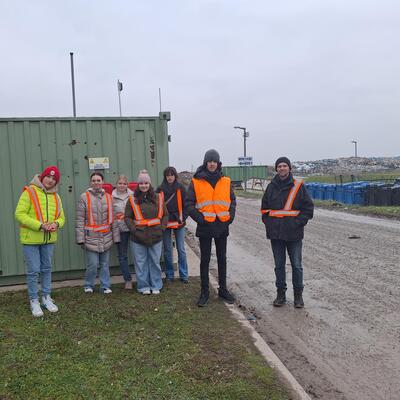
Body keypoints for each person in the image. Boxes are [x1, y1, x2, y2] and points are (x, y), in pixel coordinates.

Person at [261, 157, 314, 308]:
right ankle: (281, 294)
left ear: (289, 168)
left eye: (285, 166)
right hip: (276, 235)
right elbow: (264, 209)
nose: (282, 168)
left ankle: (298, 296)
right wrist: (270, 225)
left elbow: (308, 209)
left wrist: (296, 223)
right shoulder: (271, 187)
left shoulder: (298, 186)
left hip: (294, 234)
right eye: (279, 166)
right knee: (279, 265)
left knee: (296, 265)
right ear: (276, 169)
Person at [186, 149, 236, 307]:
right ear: (205, 163)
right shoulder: (196, 181)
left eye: (215, 161)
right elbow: (188, 204)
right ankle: (204, 292)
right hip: (205, 226)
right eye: (210, 161)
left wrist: (230, 218)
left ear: (218, 163)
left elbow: (232, 201)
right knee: (205, 261)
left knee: (222, 259)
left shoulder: (226, 181)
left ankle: (223, 290)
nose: (212, 164)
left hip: (221, 225)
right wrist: (200, 219)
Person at [15, 166, 65, 317]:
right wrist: (40, 226)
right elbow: (19, 214)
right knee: (33, 271)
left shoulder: (56, 196)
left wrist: (56, 224)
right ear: (42, 177)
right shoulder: (29, 191)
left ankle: (46, 297)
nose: (50, 180)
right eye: (48, 177)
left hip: (49, 240)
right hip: (31, 239)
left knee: (47, 269)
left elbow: (61, 218)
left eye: (54, 179)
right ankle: (34, 300)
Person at [125, 170, 168, 295]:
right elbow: (127, 217)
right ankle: (143, 286)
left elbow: (165, 215)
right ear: (138, 185)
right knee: (140, 262)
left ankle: (156, 285)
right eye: (141, 183)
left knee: (155, 262)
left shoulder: (158, 198)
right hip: (137, 237)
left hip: (156, 236)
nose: (144, 185)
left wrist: (162, 228)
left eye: (146, 183)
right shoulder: (132, 199)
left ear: (150, 184)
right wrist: (133, 230)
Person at [76, 172, 120, 294]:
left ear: (102, 182)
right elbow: (80, 219)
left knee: (105, 264)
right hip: (91, 238)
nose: (96, 182)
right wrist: (80, 239)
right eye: (94, 180)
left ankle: (105, 286)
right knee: (93, 264)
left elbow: (114, 219)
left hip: (106, 237)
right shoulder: (84, 197)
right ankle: (88, 285)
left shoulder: (109, 197)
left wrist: (116, 237)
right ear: (91, 182)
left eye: (98, 180)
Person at [156, 166, 189, 283]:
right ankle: (169, 275)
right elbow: (156, 205)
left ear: (175, 176)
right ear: (165, 176)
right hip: (165, 223)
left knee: (181, 249)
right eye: (168, 175)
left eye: (172, 174)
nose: (170, 177)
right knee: (167, 250)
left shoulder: (181, 188)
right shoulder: (160, 189)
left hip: (179, 222)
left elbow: (187, 205)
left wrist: (183, 218)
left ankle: (184, 275)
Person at [112, 175, 134, 289]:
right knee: (122, 255)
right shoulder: (111, 196)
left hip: (133, 227)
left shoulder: (132, 195)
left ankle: (142, 277)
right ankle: (128, 280)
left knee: (138, 254)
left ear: (127, 185)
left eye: (124, 184)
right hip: (120, 229)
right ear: (116, 184)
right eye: (120, 183)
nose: (122, 185)